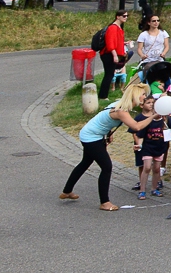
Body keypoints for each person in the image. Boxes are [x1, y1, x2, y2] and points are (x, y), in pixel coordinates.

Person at [62, 81, 155, 210]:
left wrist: (108, 132)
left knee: (85, 163)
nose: (145, 97)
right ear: (135, 96)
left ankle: (67, 191)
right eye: (143, 94)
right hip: (91, 137)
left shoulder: (120, 105)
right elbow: (136, 126)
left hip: (94, 135)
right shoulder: (121, 110)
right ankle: (104, 202)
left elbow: (105, 119)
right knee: (106, 167)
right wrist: (153, 117)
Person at [97, 10, 128, 99]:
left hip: (112, 53)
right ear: (117, 17)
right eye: (124, 16)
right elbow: (110, 43)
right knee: (109, 74)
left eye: (126, 16)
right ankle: (103, 95)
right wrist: (114, 55)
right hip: (108, 54)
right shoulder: (113, 27)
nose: (126, 17)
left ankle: (103, 95)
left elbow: (116, 41)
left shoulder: (118, 27)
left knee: (110, 74)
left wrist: (123, 44)